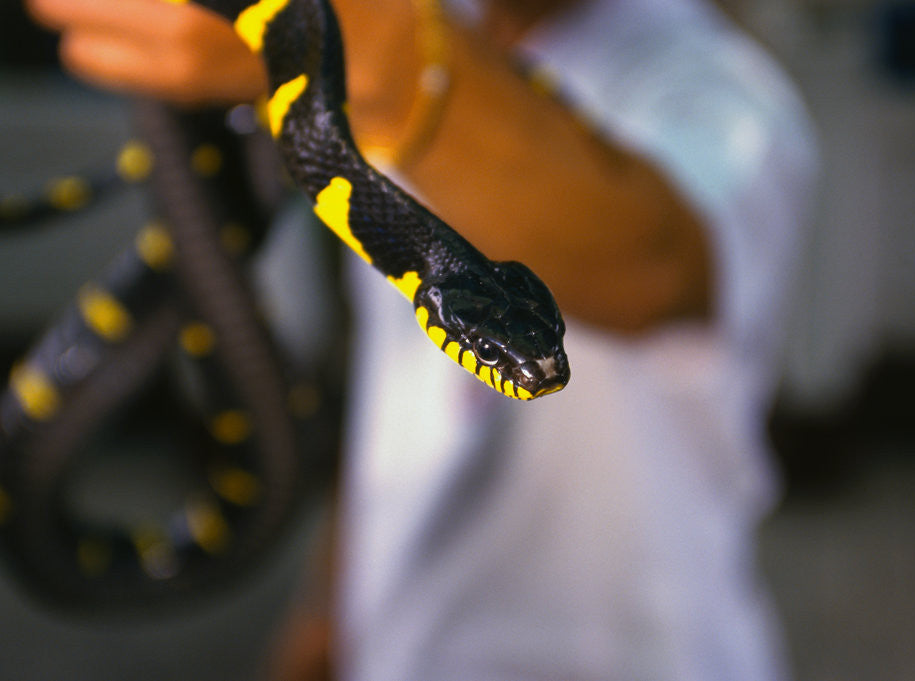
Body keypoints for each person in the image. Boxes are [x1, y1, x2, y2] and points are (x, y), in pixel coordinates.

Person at [27, 0, 818, 679]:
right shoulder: (417, 105)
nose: (530, 369)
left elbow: (652, 262)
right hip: (406, 649)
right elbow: (400, 396)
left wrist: (393, 61)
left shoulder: (718, 88)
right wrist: (325, 607)